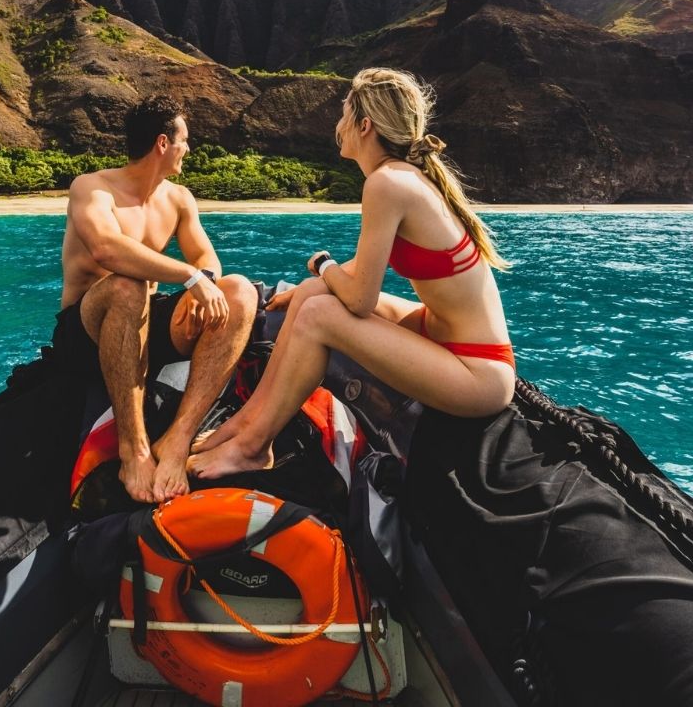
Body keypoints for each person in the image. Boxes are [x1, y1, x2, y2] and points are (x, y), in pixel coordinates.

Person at [189, 66, 515, 480]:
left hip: (479, 371)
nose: (338, 125)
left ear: (364, 125)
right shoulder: (402, 178)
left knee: (319, 314)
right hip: (440, 333)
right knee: (310, 297)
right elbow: (362, 269)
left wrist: (322, 265)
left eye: (344, 114)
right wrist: (314, 282)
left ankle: (254, 448)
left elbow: (359, 300)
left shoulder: (387, 184)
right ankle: (245, 424)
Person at [59, 94, 257, 503]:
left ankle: (176, 441)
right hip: (86, 329)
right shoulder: (92, 188)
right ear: (163, 143)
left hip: (145, 325)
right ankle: (135, 451)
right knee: (127, 285)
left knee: (237, 290)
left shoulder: (179, 198)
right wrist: (188, 277)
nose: (189, 148)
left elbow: (207, 260)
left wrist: (204, 279)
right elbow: (105, 249)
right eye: (185, 139)